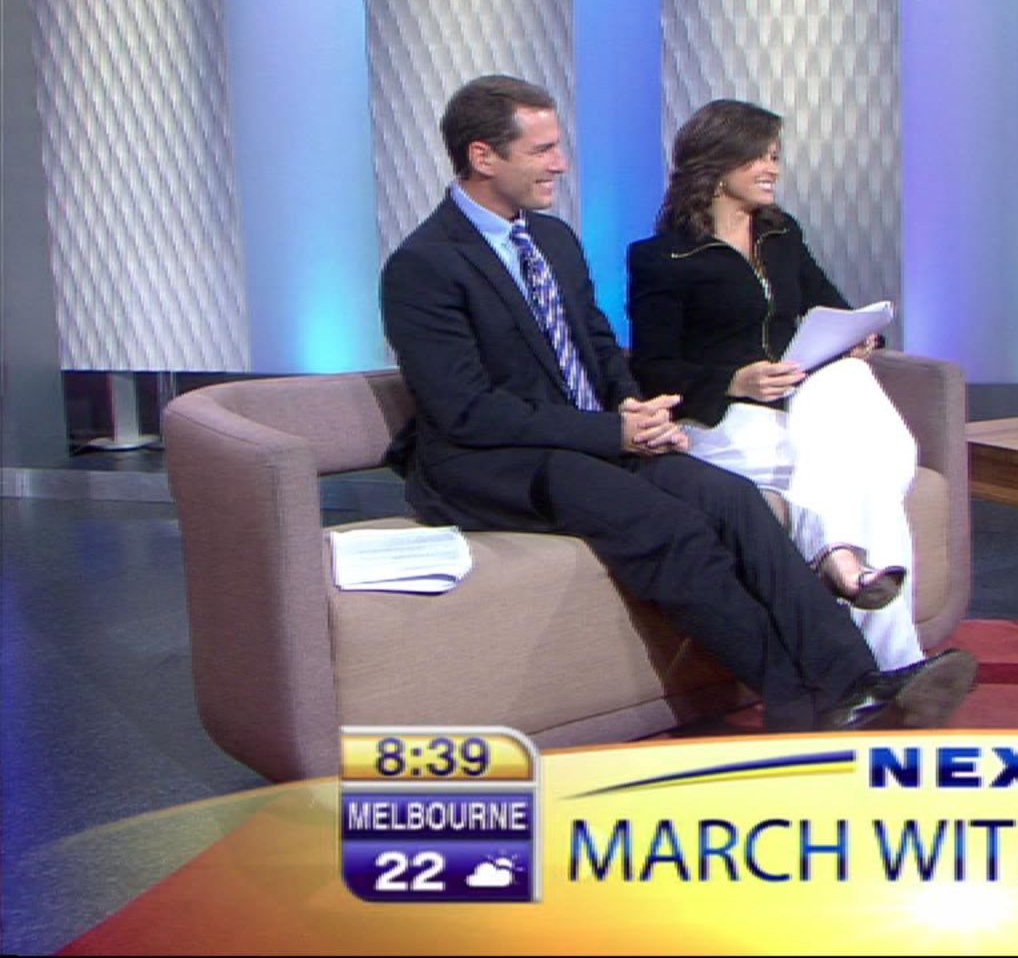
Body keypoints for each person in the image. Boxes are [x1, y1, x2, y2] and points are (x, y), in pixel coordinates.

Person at [378, 75, 974, 733]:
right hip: (494, 460)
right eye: (542, 150)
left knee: (735, 501)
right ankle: (809, 699)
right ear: (483, 156)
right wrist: (611, 433)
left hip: (589, 437)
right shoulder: (424, 265)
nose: (561, 164)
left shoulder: (552, 240)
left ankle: (859, 679)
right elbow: (466, 409)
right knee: (671, 528)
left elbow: (598, 346)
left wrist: (638, 410)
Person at [627, 99, 925, 670]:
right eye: (759, 157)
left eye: (775, 157)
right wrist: (734, 381)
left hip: (803, 407)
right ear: (716, 163)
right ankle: (895, 657)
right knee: (872, 470)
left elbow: (831, 307)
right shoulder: (663, 258)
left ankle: (842, 567)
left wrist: (859, 336)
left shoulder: (781, 234)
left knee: (852, 378)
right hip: (723, 419)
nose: (772, 169)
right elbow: (653, 367)